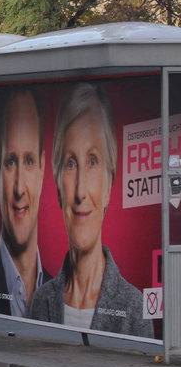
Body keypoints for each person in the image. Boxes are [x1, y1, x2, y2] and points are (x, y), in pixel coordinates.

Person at [29, 83, 153, 337]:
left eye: (93, 161)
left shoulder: (134, 307)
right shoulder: (42, 301)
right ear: (57, 182)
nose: (80, 191)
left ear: (110, 183)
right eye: (71, 163)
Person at [0, 87, 50, 317]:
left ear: (43, 168)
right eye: (10, 162)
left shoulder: (61, 291)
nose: (19, 188)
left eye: (29, 161)